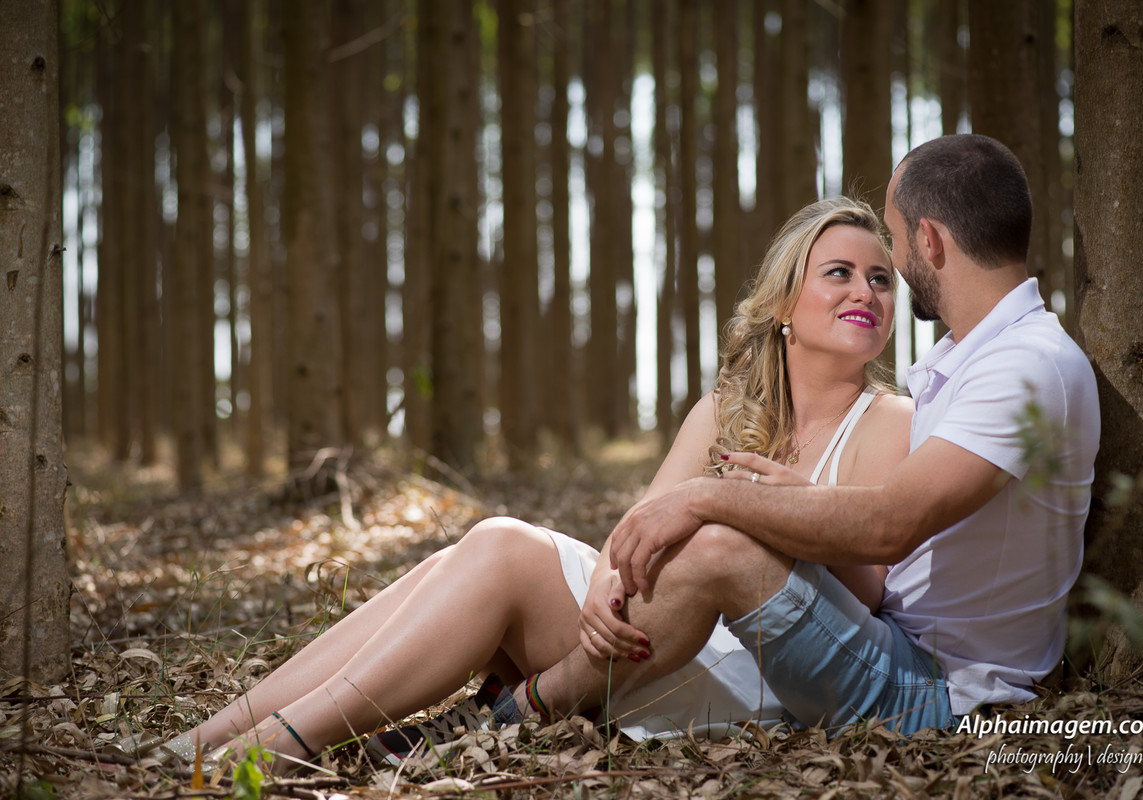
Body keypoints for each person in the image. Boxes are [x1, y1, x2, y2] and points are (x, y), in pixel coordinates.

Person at [156, 196, 909, 771]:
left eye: (881, 279)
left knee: (501, 545)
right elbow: (640, 521)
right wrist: (607, 581)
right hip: (648, 629)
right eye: (838, 273)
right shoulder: (724, 411)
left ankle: (281, 744)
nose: (866, 293)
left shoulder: (888, 420)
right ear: (783, 306)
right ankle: (209, 735)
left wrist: (790, 509)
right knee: (457, 560)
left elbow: (872, 591)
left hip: (747, 671)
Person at [518, 133, 1101, 738]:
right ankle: (497, 701)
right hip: (900, 652)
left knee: (721, 547)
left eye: (893, 248)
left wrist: (710, 497)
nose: (890, 271)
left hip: (945, 693)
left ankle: (521, 710)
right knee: (503, 544)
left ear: (928, 240)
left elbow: (888, 526)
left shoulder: (1026, 366)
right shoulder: (973, 364)